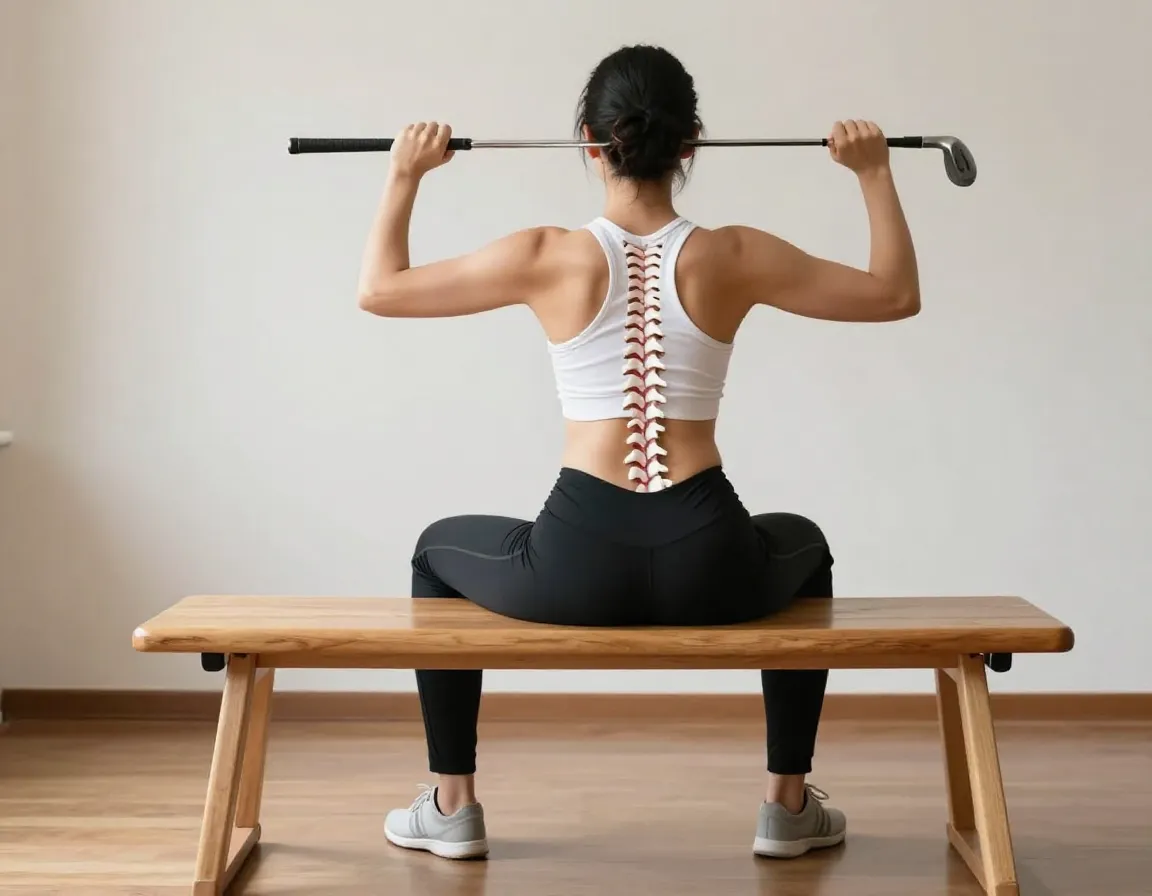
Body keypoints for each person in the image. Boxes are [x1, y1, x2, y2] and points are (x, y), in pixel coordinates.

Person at [356, 44, 919, 862]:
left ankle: (451, 807)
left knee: (436, 550)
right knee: (805, 542)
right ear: (690, 145)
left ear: (592, 143)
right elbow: (895, 295)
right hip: (711, 559)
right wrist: (872, 172)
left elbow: (379, 289)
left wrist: (406, 172)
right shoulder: (735, 253)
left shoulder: (545, 254)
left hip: (574, 562)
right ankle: (788, 808)